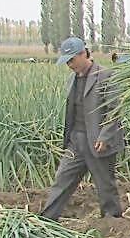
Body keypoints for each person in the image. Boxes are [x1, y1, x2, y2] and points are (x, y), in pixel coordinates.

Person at [41, 37, 125, 219]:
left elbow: (115, 109)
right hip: (76, 140)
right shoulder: (73, 79)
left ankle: (112, 222)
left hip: (97, 141)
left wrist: (105, 137)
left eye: (72, 60)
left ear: (83, 54)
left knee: (105, 185)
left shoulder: (105, 75)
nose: (69, 65)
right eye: (67, 61)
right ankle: (47, 219)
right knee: (62, 180)